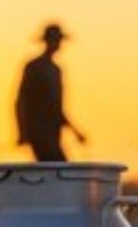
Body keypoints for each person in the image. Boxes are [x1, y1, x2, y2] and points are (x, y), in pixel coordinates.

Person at [14, 23, 87, 161]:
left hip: (53, 135)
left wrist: (75, 132)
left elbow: (57, 109)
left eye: (59, 40)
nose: (58, 43)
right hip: (38, 133)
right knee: (60, 167)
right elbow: (21, 102)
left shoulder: (56, 70)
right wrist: (22, 132)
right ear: (47, 41)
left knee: (59, 169)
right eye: (55, 40)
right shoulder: (34, 67)